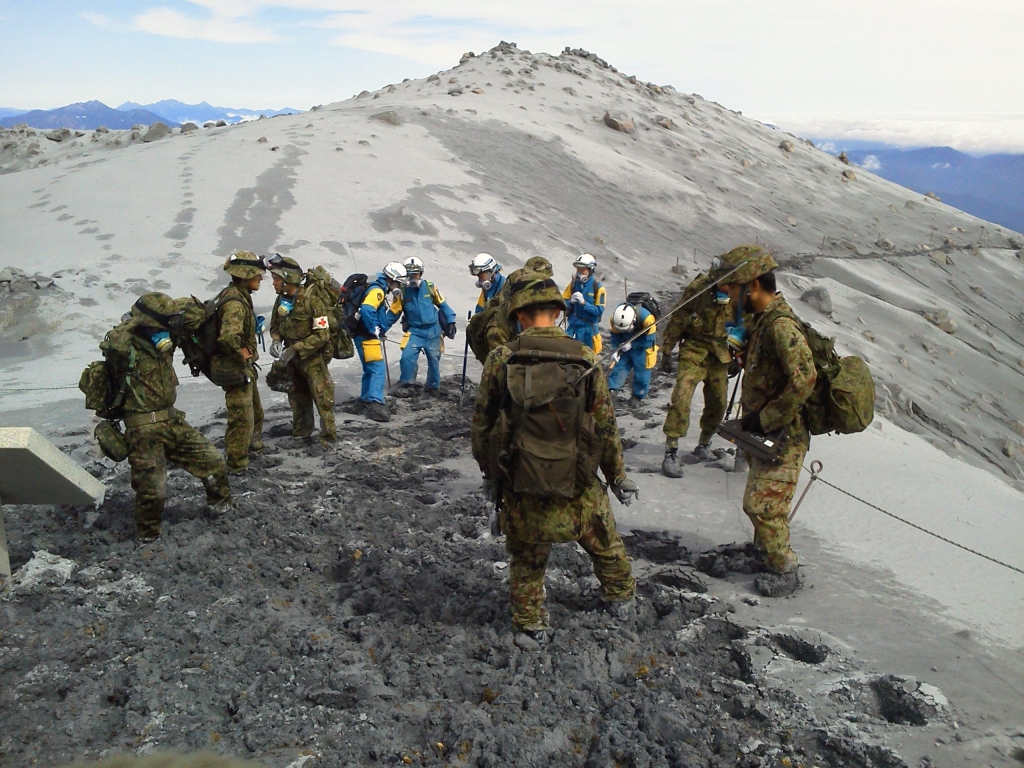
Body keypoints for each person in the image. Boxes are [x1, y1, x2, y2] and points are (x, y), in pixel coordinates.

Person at [471, 271, 639, 641]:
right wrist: (617, 478)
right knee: (605, 544)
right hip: (578, 484)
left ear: (517, 314)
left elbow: (482, 424)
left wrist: (490, 475)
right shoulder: (584, 357)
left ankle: (530, 625)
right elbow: (606, 427)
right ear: (558, 312)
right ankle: (620, 598)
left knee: (526, 561)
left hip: (521, 483)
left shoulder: (501, 358)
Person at [716, 245, 816, 597]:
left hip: (783, 433)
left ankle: (784, 567)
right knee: (761, 500)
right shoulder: (761, 322)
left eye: (733, 287)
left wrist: (768, 418)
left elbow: (805, 377)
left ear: (754, 286)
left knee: (762, 506)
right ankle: (763, 553)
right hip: (762, 430)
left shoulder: (781, 326)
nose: (728, 294)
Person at [118, 293, 232, 542]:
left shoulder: (168, 337)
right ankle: (148, 538)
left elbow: (193, 317)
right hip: (142, 428)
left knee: (214, 463)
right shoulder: (124, 345)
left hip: (171, 421)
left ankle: (220, 509)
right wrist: (131, 325)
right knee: (152, 492)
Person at [659, 265, 735, 478]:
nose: (729, 289)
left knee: (719, 402)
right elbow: (678, 316)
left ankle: (704, 444)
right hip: (694, 348)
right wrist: (667, 350)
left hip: (720, 352)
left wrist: (739, 355)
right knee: (681, 398)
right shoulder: (699, 289)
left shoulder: (739, 292)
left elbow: (744, 325)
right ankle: (671, 450)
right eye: (726, 284)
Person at [267, 255, 336, 445]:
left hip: (312, 359)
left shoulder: (311, 300)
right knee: (297, 398)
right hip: (292, 361)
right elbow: (275, 325)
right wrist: (276, 340)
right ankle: (301, 434)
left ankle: (329, 437)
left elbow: (322, 335)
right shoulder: (280, 301)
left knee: (323, 398)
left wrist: (296, 348)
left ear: (289, 278)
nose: (273, 283)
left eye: (276, 279)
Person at [213, 252, 266, 473]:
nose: (261, 279)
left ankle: (254, 448)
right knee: (241, 418)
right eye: (257, 275)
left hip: (243, 368)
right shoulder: (235, 302)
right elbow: (227, 337)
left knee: (255, 411)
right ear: (244, 277)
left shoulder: (240, 295)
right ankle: (236, 464)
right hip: (235, 369)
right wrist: (241, 354)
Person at [393, 256, 457, 397]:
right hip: (415, 331)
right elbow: (394, 312)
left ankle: (433, 386)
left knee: (434, 359)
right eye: (409, 275)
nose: (412, 277)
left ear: (421, 274)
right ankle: (407, 383)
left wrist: (451, 321)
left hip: (433, 330)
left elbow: (443, 305)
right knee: (406, 357)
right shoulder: (402, 291)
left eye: (415, 274)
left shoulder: (430, 287)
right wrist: (381, 327)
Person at [350, 261, 405, 422]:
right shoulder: (378, 291)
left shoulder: (374, 287)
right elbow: (367, 309)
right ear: (392, 279)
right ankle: (375, 402)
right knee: (377, 368)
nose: (399, 287)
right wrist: (374, 329)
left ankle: (365, 399)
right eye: (398, 283)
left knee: (369, 369)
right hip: (367, 336)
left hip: (361, 334)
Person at [607, 301, 658, 407]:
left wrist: (632, 344)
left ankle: (638, 396)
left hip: (642, 348)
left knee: (642, 374)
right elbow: (615, 336)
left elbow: (649, 340)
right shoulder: (614, 319)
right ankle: (613, 389)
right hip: (624, 345)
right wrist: (616, 350)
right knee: (619, 367)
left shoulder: (648, 320)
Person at [563, 253, 606, 352]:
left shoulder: (598, 288)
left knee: (589, 360)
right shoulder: (573, 285)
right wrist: (571, 302)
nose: (579, 272)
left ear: (590, 270)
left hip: (589, 330)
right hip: (573, 327)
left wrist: (584, 303)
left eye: (582, 270)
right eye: (578, 270)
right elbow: (562, 303)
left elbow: (599, 311)